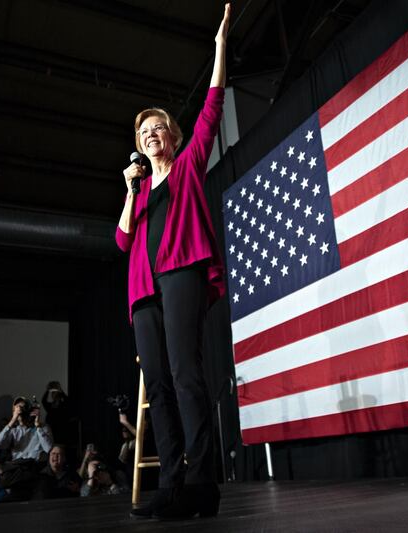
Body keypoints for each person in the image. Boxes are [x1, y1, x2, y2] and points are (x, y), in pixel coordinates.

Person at [115, 3, 230, 521]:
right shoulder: (138, 195)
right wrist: (128, 191)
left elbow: (212, 106)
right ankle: (172, 484)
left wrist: (219, 48)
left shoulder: (186, 166)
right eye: (143, 134)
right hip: (143, 292)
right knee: (158, 386)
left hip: (180, 274)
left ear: (173, 136)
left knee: (187, 376)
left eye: (157, 129)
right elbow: (120, 242)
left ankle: (203, 481)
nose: (151, 136)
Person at [0, 396, 54, 461]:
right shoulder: (13, 430)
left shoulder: (43, 427)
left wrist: (38, 426)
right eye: (17, 408)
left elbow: (49, 448)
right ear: (13, 412)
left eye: (23, 408)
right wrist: (13, 420)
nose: (20, 410)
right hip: (18, 466)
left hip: (35, 466)